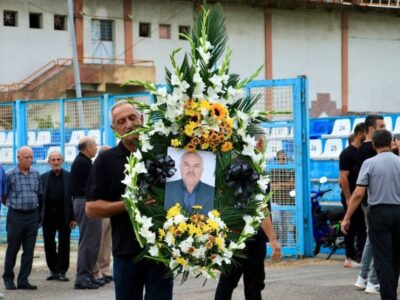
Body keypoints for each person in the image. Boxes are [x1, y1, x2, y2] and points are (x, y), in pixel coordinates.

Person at [85, 100, 173, 300]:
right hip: (127, 253)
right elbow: (91, 209)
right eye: (121, 121)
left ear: (142, 119)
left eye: (132, 118)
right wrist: (130, 204)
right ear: (114, 129)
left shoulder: (162, 153)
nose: (129, 124)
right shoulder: (106, 161)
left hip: (162, 250)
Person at [214, 135, 282, 300]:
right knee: (253, 286)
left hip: (233, 234)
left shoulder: (229, 166)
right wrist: (273, 240)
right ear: (258, 143)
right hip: (253, 235)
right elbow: (260, 207)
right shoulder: (253, 170)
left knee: (226, 283)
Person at [341, 129, 400, 300]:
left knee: (383, 257)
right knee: (396, 256)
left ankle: (388, 296)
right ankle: (392, 291)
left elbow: (359, 193)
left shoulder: (369, 163)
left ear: (374, 145)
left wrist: (347, 217)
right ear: (391, 143)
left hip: (379, 213)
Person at [353, 115, 385, 294]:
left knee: (371, 240)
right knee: (376, 241)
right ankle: (372, 280)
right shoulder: (369, 151)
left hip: (369, 202)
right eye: (381, 125)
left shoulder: (364, 151)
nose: (384, 128)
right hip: (373, 203)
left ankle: (363, 277)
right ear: (371, 129)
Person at [2, 146, 41, 290]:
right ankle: (8, 278)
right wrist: (13, 205)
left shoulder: (36, 174)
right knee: (13, 248)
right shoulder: (10, 174)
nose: (30, 160)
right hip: (16, 216)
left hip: (32, 216)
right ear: (18, 158)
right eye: (26, 157)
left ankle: (23, 280)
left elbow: (39, 194)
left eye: (31, 157)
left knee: (29, 250)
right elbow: (4, 196)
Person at [70, 136, 103, 289]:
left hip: (86, 202)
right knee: (87, 240)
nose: (96, 148)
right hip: (85, 202)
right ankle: (82, 276)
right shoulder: (82, 163)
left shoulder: (84, 162)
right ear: (88, 147)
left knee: (93, 241)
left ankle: (89, 273)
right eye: (94, 145)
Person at [40, 150, 75, 282]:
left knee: (64, 244)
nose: (56, 162)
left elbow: (74, 198)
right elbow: (39, 198)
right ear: (49, 162)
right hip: (48, 216)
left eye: (58, 159)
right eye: (53, 160)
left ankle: (61, 271)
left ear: (62, 161)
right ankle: (53, 270)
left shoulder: (70, 177)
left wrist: (74, 218)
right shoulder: (43, 178)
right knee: (48, 244)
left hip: (64, 215)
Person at [339, 122, 367, 268]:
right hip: (351, 195)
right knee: (350, 225)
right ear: (359, 134)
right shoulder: (346, 153)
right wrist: (348, 197)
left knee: (363, 226)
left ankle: (361, 256)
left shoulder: (364, 151)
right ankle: (349, 257)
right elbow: (343, 178)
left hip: (362, 195)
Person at [93, 145, 113, 283]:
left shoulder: (112, 167)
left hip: (111, 208)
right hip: (99, 208)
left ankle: (105, 269)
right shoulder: (95, 169)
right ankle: (96, 271)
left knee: (107, 241)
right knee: (97, 241)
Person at [270, 150, 295, 246]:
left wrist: (279, 184)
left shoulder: (290, 170)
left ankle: (284, 245)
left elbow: (292, 185)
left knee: (285, 225)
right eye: (281, 158)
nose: (283, 160)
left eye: (284, 158)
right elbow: (271, 185)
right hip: (275, 201)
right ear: (277, 159)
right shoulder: (273, 170)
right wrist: (284, 185)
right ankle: (276, 245)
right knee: (276, 223)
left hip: (287, 201)